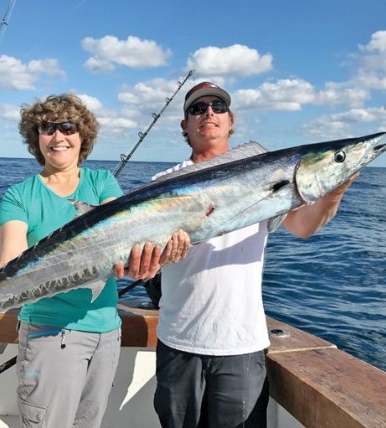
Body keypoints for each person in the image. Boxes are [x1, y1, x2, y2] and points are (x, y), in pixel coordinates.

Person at [0, 93, 188, 428]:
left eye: (68, 127)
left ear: (81, 136)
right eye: (48, 128)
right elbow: (9, 264)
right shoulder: (19, 196)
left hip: (106, 333)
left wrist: (153, 258)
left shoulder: (102, 183)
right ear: (36, 137)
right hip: (49, 334)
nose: (58, 136)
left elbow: (128, 243)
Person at [152, 81, 359, 428]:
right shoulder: (162, 182)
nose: (209, 114)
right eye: (197, 108)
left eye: (218, 107)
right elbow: (142, 259)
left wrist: (333, 190)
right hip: (177, 341)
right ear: (184, 125)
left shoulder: (266, 174)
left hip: (241, 345)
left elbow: (303, 226)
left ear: (231, 121)